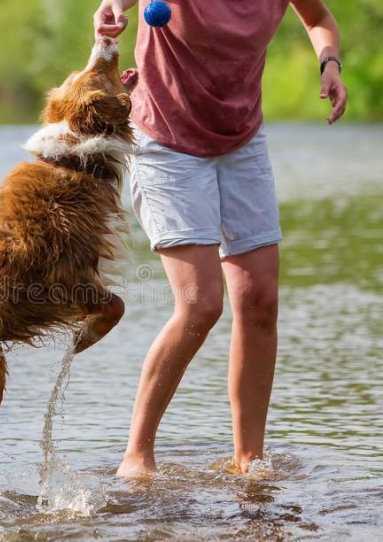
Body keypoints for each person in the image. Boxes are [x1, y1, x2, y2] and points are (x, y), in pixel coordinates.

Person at [93, 0, 347, 476]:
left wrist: (329, 64)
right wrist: (112, 8)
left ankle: (248, 460)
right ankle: (137, 455)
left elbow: (318, 20)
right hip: (167, 142)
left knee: (260, 302)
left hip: (241, 140)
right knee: (200, 303)